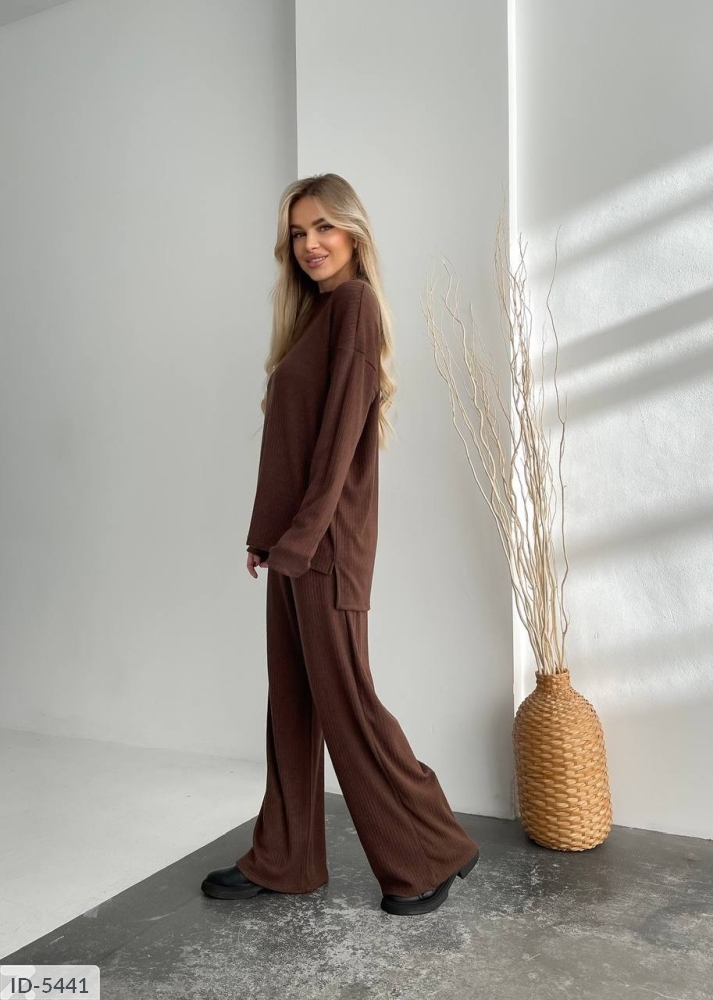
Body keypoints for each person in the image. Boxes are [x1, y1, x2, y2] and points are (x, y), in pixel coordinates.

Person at [201, 173, 479, 915]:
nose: (310, 244)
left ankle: (433, 850)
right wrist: (267, 537)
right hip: (295, 544)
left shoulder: (355, 305)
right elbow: (290, 447)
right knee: (292, 703)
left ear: (353, 232)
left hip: (326, 545)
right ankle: (286, 859)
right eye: (298, 233)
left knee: (346, 701)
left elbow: (337, 443)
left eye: (323, 227)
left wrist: (300, 539)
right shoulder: (314, 318)